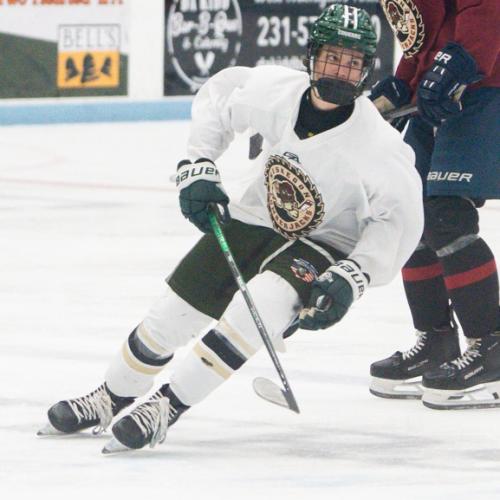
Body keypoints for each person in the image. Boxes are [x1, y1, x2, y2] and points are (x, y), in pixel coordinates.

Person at [39, 4, 423, 453]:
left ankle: (165, 407)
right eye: (332, 57)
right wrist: (199, 163)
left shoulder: (378, 145)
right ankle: (110, 396)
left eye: (352, 62)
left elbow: (399, 220)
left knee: (262, 304)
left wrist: (356, 274)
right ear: (311, 56)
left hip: (326, 242)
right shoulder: (276, 93)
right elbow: (220, 97)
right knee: (171, 315)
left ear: (366, 70)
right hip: (257, 215)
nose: (340, 70)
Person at [369, 0, 500, 408]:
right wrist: (405, 81)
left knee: (447, 215)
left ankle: (492, 349)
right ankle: (437, 343)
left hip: (487, 84)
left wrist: (462, 59)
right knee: (412, 209)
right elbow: (422, 28)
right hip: (443, 87)